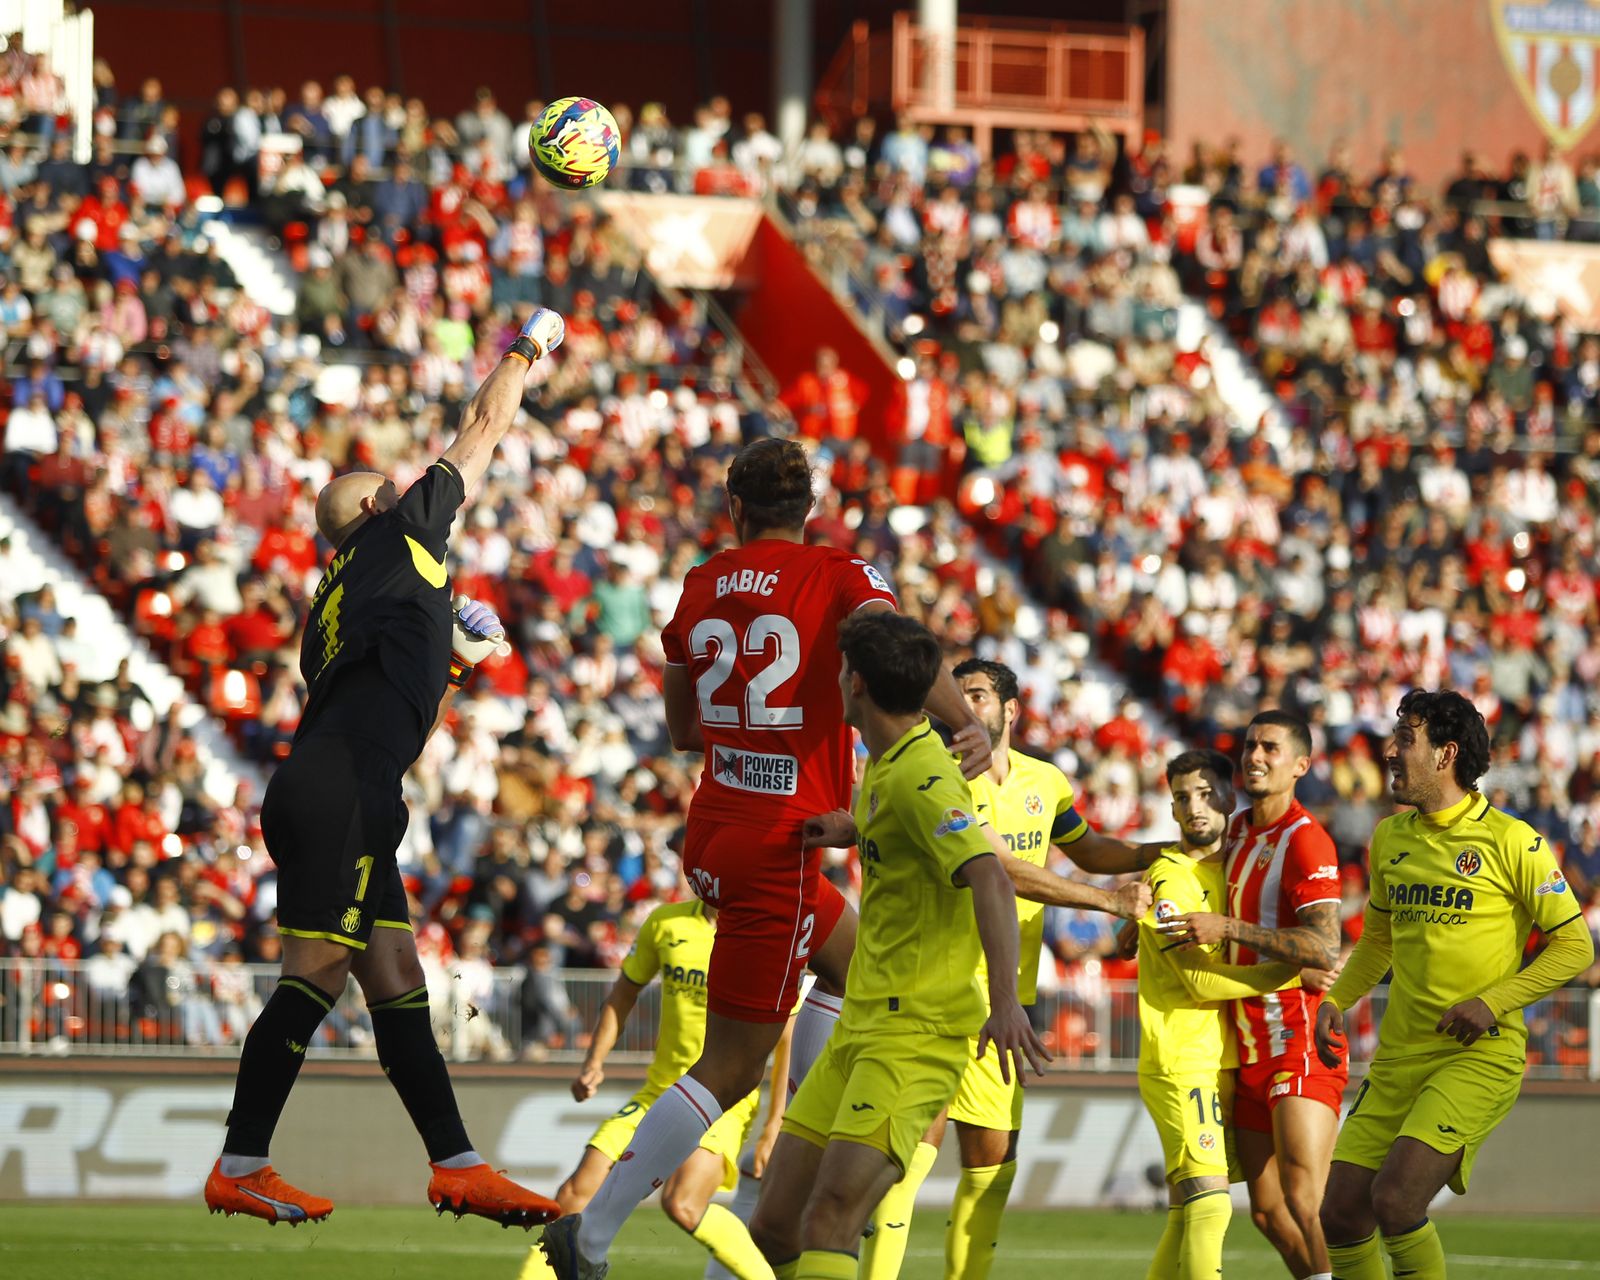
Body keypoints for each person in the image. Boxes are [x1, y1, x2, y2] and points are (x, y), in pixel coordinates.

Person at [540, 440, 991, 1277]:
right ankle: (594, 1233)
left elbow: (682, 731)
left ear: (735, 510)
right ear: (808, 509)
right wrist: (967, 718)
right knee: (733, 1064)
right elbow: (899, 642)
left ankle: (796, 1158)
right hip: (784, 843)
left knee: (858, 970)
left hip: (718, 822)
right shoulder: (838, 575)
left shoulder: (702, 583)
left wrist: (754, 729)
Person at [204, 307, 568, 1228]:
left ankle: (457, 1165)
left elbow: (405, 720)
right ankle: (242, 1159)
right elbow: (483, 428)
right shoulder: (398, 533)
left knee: (396, 969)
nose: (408, 488)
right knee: (320, 968)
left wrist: (451, 661)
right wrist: (528, 347)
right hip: (343, 792)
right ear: (377, 508)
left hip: (341, 782)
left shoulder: (335, 605)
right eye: (391, 486)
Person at [748, 610, 1050, 1280]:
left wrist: (1005, 1003)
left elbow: (991, 880)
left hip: (916, 1033)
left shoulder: (921, 776)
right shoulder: (888, 765)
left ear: (855, 684)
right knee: (773, 1225)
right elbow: (908, 834)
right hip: (862, 1023)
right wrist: (849, 828)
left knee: (830, 1216)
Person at [857, 658, 1153, 1279]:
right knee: (906, 1160)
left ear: (1011, 709)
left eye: (979, 696)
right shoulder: (940, 777)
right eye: (957, 697)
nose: (965, 708)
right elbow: (1004, 870)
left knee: (991, 1168)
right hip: (938, 996)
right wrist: (1107, 901)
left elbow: (1088, 848)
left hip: (1004, 1003)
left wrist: (1170, 849)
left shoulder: (1046, 783)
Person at [1316, 691, 1595, 1280]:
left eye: (1405, 739)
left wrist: (1491, 1003)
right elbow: (1378, 941)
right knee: (1340, 1214)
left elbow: (1575, 946)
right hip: (1397, 1058)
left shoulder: (1512, 841)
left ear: (1445, 754)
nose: (1390, 752)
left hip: (1476, 1057)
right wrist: (1337, 1000)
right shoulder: (1391, 839)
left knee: (1396, 1200)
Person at [1157, 711, 1344, 1280]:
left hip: (1297, 1039)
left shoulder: (1306, 840)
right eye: (1250, 746)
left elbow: (1323, 946)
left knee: (1303, 1201)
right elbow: (1177, 858)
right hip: (1244, 1047)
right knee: (1266, 1212)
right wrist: (1127, 906)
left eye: (1270, 748)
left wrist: (1230, 929)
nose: (1255, 756)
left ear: (1300, 766)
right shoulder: (1236, 829)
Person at [519, 897, 788, 1280]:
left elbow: (787, 1037)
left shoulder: (764, 934)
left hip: (725, 1098)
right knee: (573, 1196)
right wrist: (594, 1061)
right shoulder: (666, 923)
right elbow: (622, 994)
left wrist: (774, 1123)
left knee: (683, 1203)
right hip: (659, 1092)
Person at [1138, 750, 1300, 1280]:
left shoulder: (1237, 865)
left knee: (1189, 1210)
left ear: (1231, 798)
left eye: (1207, 794)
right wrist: (1291, 972)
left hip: (1223, 1054)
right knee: (1209, 1205)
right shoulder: (1171, 876)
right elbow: (1200, 979)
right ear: (1172, 810)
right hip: (1182, 1055)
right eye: (1183, 798)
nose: (1195, 807)